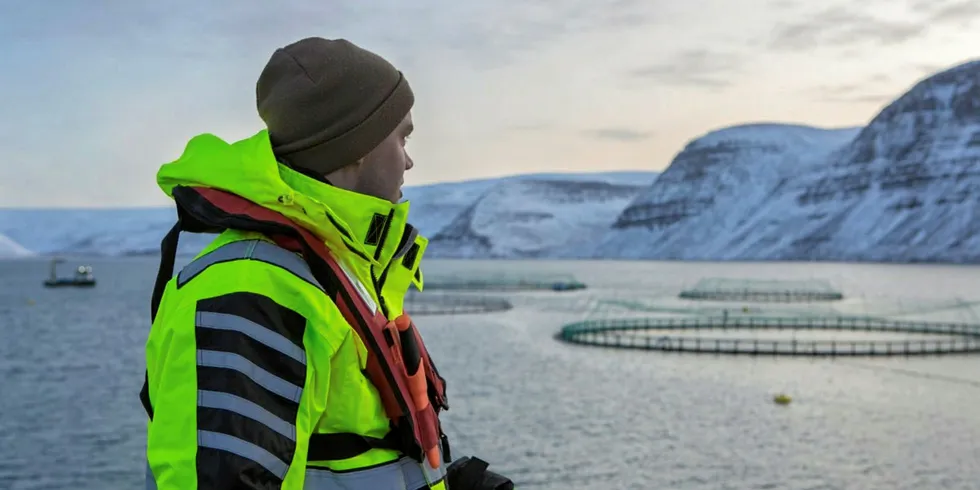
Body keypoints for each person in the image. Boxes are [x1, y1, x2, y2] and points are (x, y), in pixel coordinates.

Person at [140, 37, 514, 490]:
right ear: (358, 144)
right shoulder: (252, 291)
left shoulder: (334, 264)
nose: (409, 160)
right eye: (402, 137)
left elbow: (345, 458)